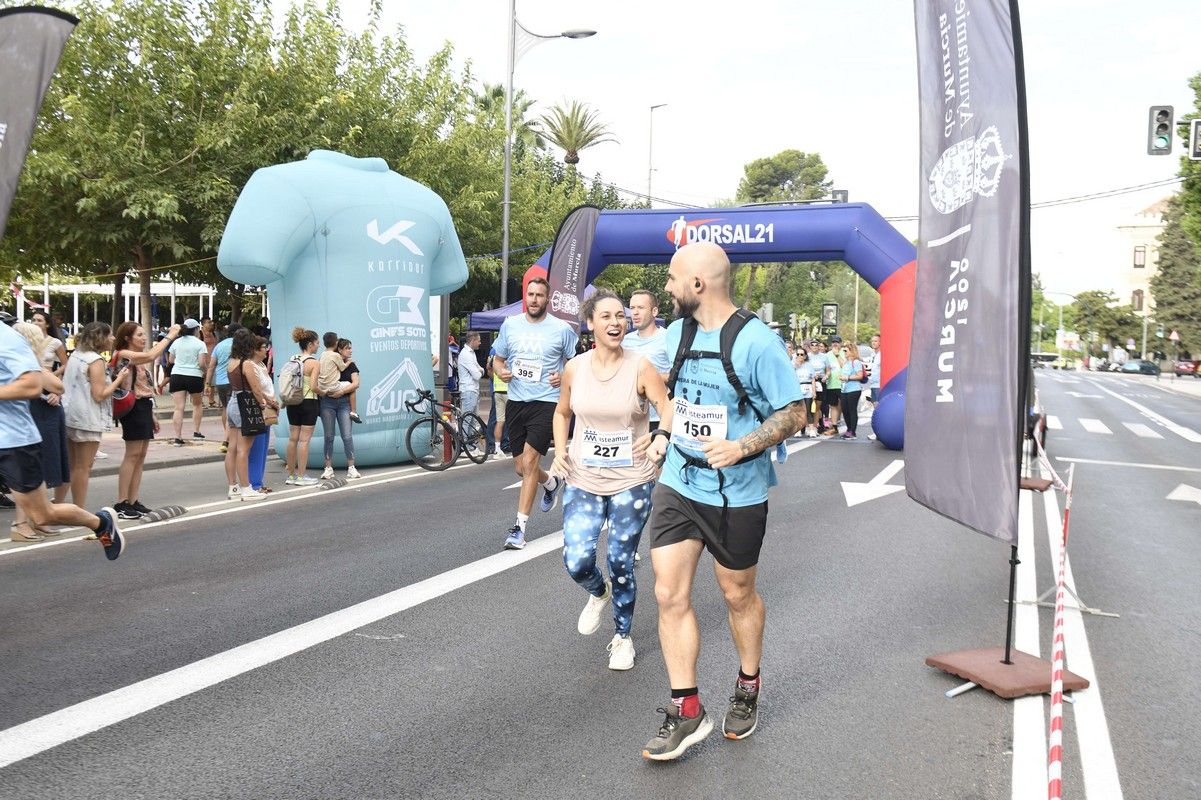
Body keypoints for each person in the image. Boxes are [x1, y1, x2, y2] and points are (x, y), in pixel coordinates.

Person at [640, 242, 803, 761]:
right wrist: (664, 433)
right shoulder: (677, 333)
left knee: (737, 596)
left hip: (738, 494)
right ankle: (687, 709)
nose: (665, 288)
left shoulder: (756, 343)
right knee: (669, 594)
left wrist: (742, 445)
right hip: (679, 483)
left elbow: (794, 412)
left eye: (671, 279)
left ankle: (748, 682)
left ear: (697, 285)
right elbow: (673, 395)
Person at [550, 289, 672, 671]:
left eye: (620, 315)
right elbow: (562, 412)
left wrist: (660, 438)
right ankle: (597, 593)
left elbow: (667, 407)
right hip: (584, 476)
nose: (616, 322)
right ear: (591, 324)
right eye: (606, 316)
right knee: (577, 560)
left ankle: (622, 637)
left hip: (632, 479)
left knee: (620, 560)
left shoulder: (640, 366)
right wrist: (560, 449)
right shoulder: (576, 368)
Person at [1, 322, 126, 559]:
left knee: (42, 515)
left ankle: (101, 523)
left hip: (12, 441)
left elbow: (33, 384)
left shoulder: (6, 338)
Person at [491, 277, 578, 550]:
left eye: (540, 295)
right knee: (521, 468)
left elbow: (575, 362)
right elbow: (497, 359)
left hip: (547, 402)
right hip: (517, 401)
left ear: (547, 299)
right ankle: (551, 483)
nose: (534, 299)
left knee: (529, 461)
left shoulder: (561, 329)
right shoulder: (510, 325)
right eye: (530, 294)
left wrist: (562, 376)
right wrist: (500, 371)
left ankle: (519, 528)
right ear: (524, 296)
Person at [112, 321, 181, 518]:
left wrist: (152, 415)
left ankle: (133, 500)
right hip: (132, 408)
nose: (143, 338)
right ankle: (121, 502)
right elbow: (152, 355)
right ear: (127, 338)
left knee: (140, 455)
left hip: (143, 406)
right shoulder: (124, 355)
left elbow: (144, 387)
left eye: (144, 334)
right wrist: (171, 335)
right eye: (139, 335)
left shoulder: (137, 360)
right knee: (132, 454)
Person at [9, 323, 69, 541]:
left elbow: (57, 389)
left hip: (33, 418)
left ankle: (34, 520)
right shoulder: (23, 361)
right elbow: (56, 385)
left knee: (34, 471)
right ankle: (21, 522)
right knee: (27, 473)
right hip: (27, 421)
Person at [62, 322, 129, 510]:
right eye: (110, 335)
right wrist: (119, 380)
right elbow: (99, 394)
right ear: (100, 337)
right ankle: (79, 509)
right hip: (87, 418)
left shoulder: (76, 355)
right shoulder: (95, 360)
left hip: (70, 414)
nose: (113, 338)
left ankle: (58, 506)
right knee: (83, 467)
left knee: (71, 465)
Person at [224, 330, 278, 501]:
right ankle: (247, 488)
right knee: (244, 450)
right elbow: (255, 389)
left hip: (233, 402)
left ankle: (233, 487)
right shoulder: (246, 364)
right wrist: (263, 404)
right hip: (245, 404)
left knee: (232, 448)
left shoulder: (231, 362)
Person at [622, 289, 672, 431]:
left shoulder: (669, 338)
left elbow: (679, 376)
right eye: (632, 308)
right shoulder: (624, 341)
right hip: (629, 417)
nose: (635, 313)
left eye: (641, 308)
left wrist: (647, 379)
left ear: (654, 311)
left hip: (658, 417)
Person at [319, 338, 361, 481]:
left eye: (351, 347)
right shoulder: (328, 362)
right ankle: (328, 468)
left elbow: (356, 384)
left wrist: (341, 392)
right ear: (340, 350)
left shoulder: (351, 365)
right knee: (329, 436)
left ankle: (351, 467)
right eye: (348, 348)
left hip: (344, 403)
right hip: (327, 403)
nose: (351, 350)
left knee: (347, 436)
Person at [284, 327, 321, 486]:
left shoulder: (293, 358)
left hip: (293, 402)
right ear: (311, 344)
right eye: (317, 343)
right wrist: (324, 392)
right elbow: (313, 387)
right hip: (308, 402)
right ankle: (301, 476)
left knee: (293, 439)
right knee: (304, 441)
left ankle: (291, 476)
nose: (318, 345)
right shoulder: (314, 362)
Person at [167, 318, 210, 446]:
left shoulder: (176, 342)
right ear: (196, 329)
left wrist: (182, 362)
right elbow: (202, 363)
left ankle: (177, 437)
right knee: (197, 404)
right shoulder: (200, 343)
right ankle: (196, 432)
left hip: (177, 375)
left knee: (178, 408)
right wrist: (205, 371)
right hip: (194, 376)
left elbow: (171, 360)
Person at [247, 337, 277, 493]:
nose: (266, 350)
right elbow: (257, 390)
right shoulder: (251, 366)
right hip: (260, 408)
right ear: (255, 349)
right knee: (256, 449)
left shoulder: (262, 365)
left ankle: (259, 480)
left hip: (268, 408)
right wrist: (270, 402)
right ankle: (254, 484)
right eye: (264, 347)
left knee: (264, 448)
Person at [207, 323, 241, 454]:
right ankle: (228, 439)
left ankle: (227, 435)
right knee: (234, 409)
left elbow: (211, 366)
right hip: (234, 380)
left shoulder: (219, 346)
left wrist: (207, 383)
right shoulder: (239, 345)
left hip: (220, 382)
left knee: (225, 408)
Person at [838, 343, 867, 439]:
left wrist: (847, 377)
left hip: (854, 389)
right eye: (844, 351)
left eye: (846, 351)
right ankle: (849, 429)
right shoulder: (846, 362)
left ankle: (853, 432)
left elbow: (860, 375)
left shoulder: (856, 362)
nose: (844, 352)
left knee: (852, 410)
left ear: (852, 351)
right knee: (845, 410)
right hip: (844, 389)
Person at [793, 346, 822, 438]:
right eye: (798, 354)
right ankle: (798, 430)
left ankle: (811, 429)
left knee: (809, 410)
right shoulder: (793, 364)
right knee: (798, 411)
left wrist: (814, 392)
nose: (800, 356)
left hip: (808, 388)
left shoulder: (809, 365)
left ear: (805, 356)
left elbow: (813, 379)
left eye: (802, 354)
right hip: (797, 388)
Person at [486, 344, 509, 459]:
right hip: (509, 390)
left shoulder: (494, 356)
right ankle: (515, 445)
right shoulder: (510, 354)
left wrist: (495, 378)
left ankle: (497, 447)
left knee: (500, 420)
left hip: (497, 390)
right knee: (513, 420)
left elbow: (488, 369)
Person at [30, 311, 67, 377]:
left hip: (47, 382)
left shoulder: (55, 342)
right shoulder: (25, 340)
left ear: (47, 324)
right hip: (29, 381)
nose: (35, 323)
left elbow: (65, 364)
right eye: (33, 320)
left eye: (39, 320)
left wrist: (53, 376)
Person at [457, 331, 484, 416]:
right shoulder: (466, 354)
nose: (480, 343)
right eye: (479, 341)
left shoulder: (471, 353)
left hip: (472, 391)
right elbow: (477, 375)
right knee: (467, 420)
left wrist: (480, 370)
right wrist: (480, 370)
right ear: (473, 340)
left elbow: (481, 370)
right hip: (469, 391)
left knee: (473, 421)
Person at [821, 336, 843, 436]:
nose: (835, 344)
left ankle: (850, 428)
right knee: (833, 406)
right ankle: (834, 427)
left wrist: (837, 355)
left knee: (844, 406)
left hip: (843, 384)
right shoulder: (827, 355)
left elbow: (845, 366)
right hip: (831, 384)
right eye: (833, 342)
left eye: (837, 342)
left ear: (840, 344)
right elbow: (826, 369)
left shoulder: (844, 352)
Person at [866, 333, 882, 441]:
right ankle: (877, 432)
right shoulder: (873, 355)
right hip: (873, 384)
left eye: (876, 341)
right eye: (872, 341)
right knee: (875, 409)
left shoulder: (882, 354)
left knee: (878, 409)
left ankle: (879, 432)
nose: (873, 343)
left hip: (879, 385)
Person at [200, 317, 218, 408]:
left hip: (213, 361)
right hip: (203, 361)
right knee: (202, 382)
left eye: (211, 321)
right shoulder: (200, 333)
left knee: (212, 382)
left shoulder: (213, 333)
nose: (211, 323)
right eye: (209, 322)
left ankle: (211, 401)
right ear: (203, 324)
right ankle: (200, 401)